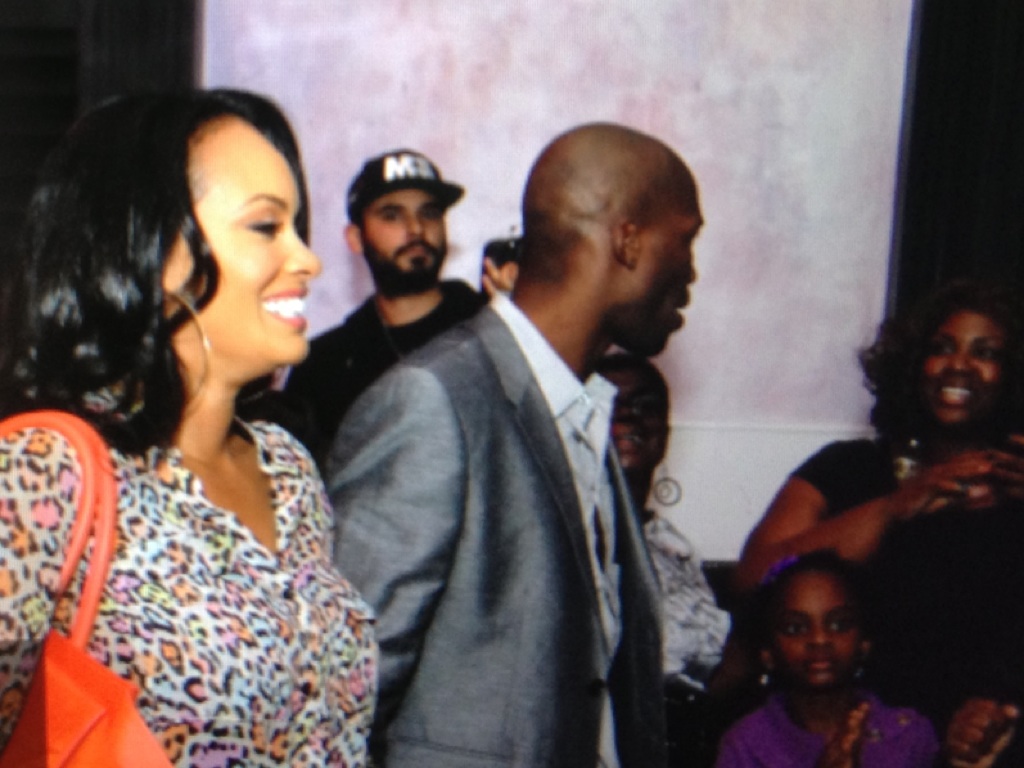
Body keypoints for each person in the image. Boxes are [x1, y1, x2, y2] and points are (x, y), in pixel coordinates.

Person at [0, 89, 376, 766]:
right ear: (153, 251)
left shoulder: (288, 470)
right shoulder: (44, 471)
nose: (308, 259)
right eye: (266, 226)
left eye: (298, 227)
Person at [326, 122, 703, 767]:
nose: (691, 271)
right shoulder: (433, 400)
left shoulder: (583, 410)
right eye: (686, 239)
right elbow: (346, 694)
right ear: (629, 240)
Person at [734, 279, 1024, 763]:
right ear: (912, 366)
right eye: (941, 348)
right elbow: (752, 578)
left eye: (985, 353)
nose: (959, 365)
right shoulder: (851, 470)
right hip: (864, 745)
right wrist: (893, 507)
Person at [283, 148, 486, 465]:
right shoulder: (324, 366)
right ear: (356, 238)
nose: (416, 228)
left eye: (430, 213)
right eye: (392, 215)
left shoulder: (492, 327)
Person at [715, 551, 937, 767]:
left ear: (864, 643)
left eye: (839, 624)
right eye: (795, 628)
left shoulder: (908, 735)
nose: (819, 640)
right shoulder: (746, 745)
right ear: (767, 653)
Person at [595, 352, 729, 690]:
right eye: (609, 403)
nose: (628, 414)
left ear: (665, 433)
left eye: (646, 406)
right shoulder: (570, 541)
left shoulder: (671, 547)